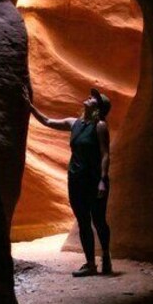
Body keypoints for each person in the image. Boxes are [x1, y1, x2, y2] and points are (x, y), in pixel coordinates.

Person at [25, 87, 112, 276]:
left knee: (98, 220)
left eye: (93, 99)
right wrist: (30, 108)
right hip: (76, 179)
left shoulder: (100, 126)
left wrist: (103, 180)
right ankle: (90, 264)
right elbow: (48, 121)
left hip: (94, 180)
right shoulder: (74, 123)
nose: (89, 98)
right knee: (83, 221)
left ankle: (106, 256)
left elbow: (105, 154)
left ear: (99, 108)